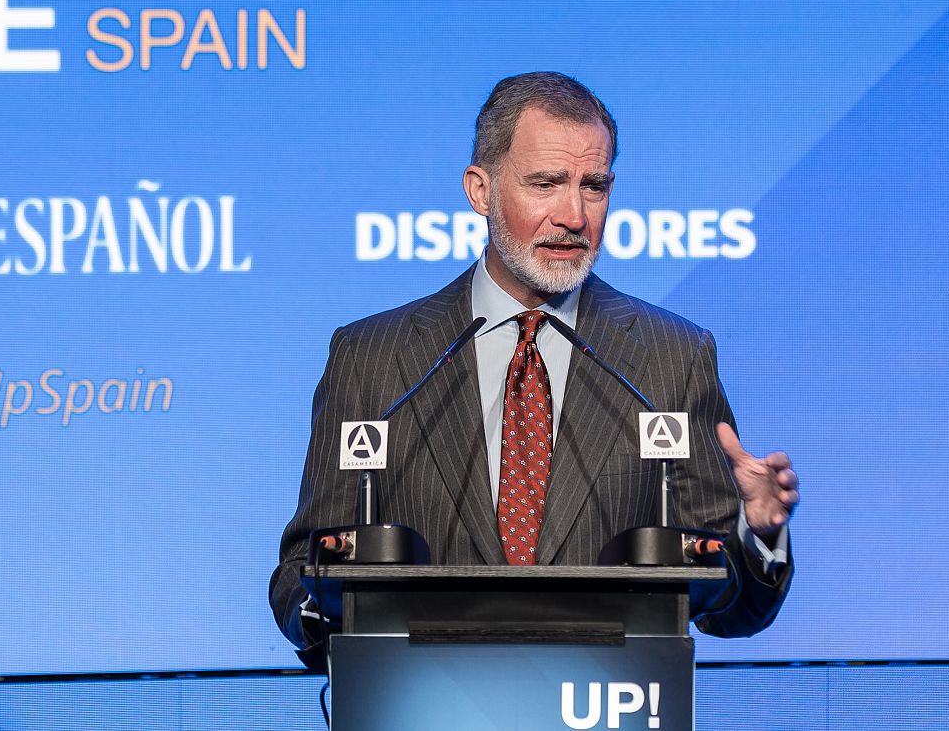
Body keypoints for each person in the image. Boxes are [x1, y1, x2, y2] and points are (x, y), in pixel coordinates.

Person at [270, 72, 798, 660]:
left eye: (593, 186)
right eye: (546, 183)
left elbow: (733, 607)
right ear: (480, 191)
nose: (573, 214)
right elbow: (300, 574)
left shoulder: (669, 359)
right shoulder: (374, 359)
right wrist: (328, 608)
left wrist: (759, 533)